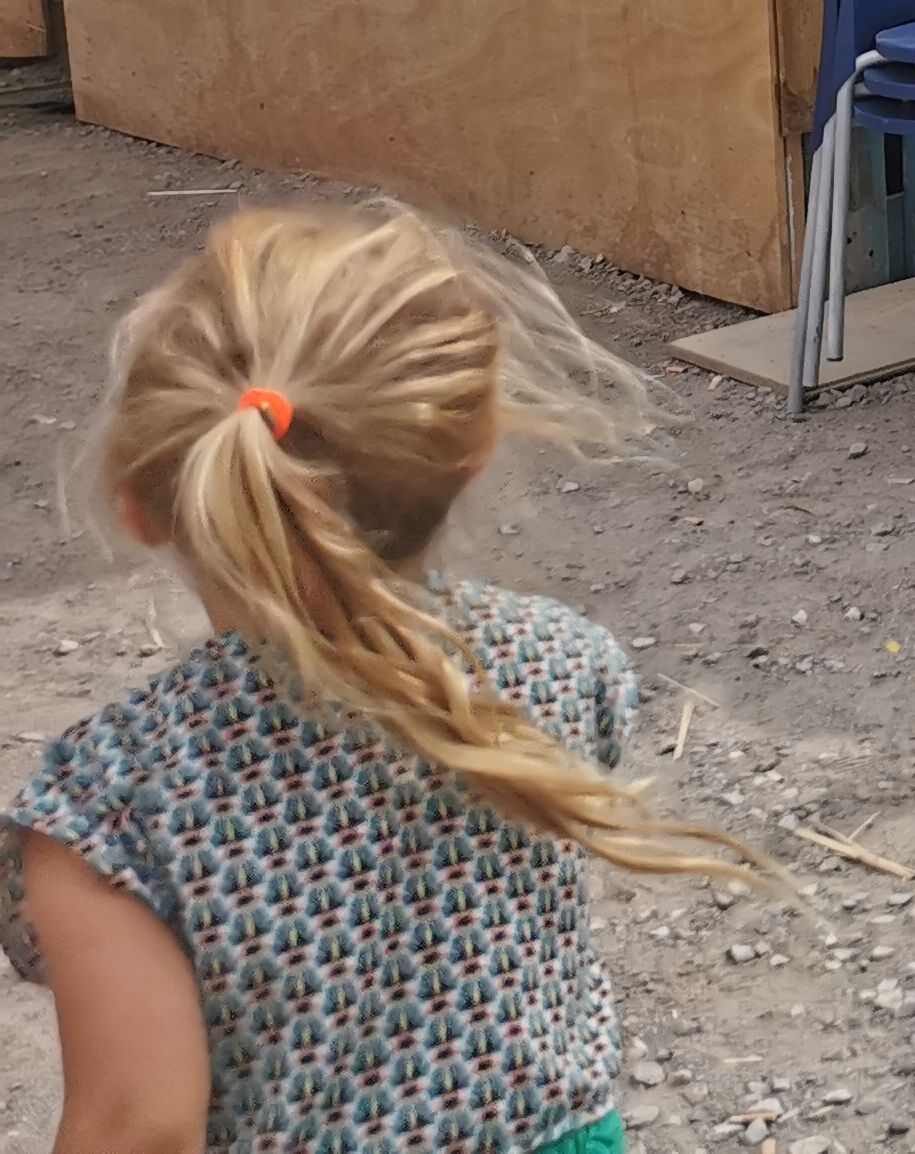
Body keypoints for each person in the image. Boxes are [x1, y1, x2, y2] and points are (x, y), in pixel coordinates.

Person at [2, 203, 773, 1145]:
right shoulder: (569, 664)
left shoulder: (111, 801)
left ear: (142, 505)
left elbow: (141, 1128)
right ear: (472, 448)